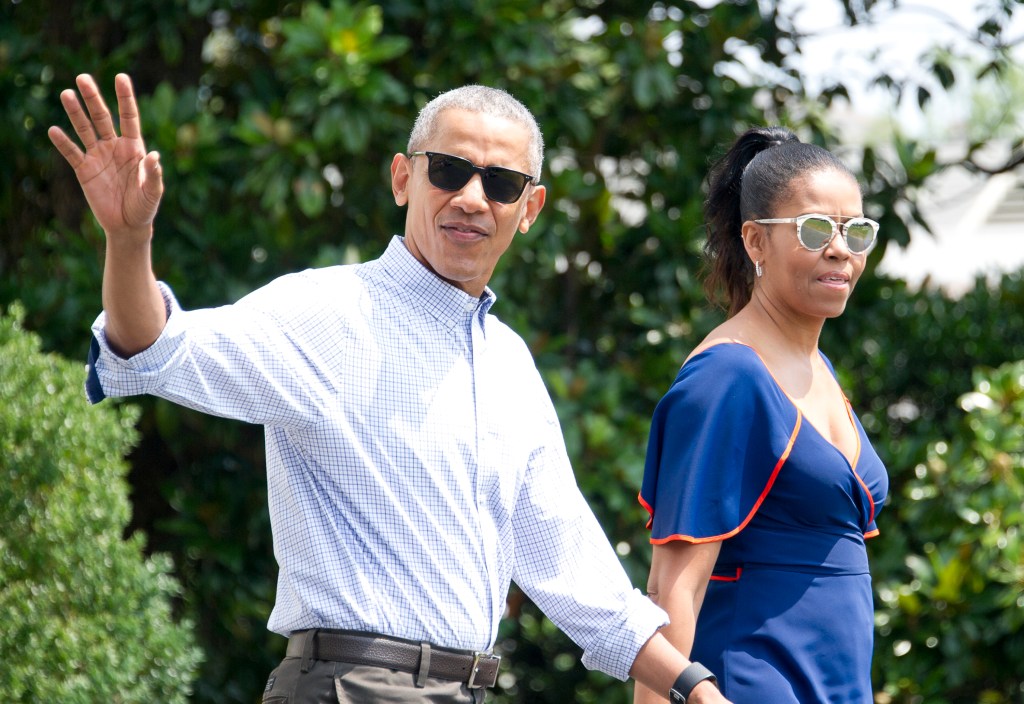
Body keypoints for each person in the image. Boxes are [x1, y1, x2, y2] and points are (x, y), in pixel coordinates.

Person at [49, 74, 731, 704]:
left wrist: (696, 689)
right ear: (404, 178)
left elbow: (576, 575)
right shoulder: (326, 313)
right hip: (349, 686)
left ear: (530, 208)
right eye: (450, 170)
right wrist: (128, 239)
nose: (472, 199)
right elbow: (158, 349)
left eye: (501, 183)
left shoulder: (510, 365)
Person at [634, 126, 890, 703]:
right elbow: (672, 588)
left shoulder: (818, 366)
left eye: (856, 231)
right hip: (753, 678)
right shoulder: (728, 375)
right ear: (755, 241)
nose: (840, 250)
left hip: (837, 683)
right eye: (815, 229)